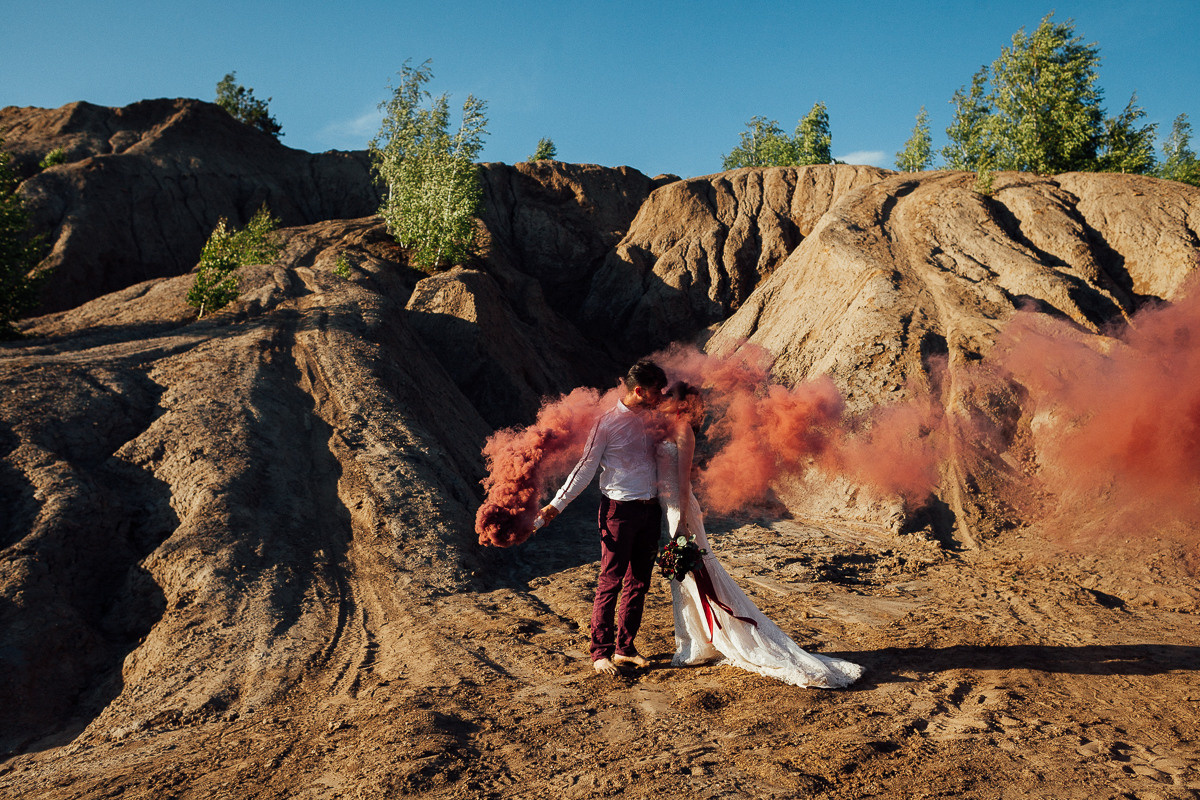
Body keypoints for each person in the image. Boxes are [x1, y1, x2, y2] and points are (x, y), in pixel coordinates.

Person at [658, 382, 864, 688]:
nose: (662, 402)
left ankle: (713, 642)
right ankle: (699, 643)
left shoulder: (683, 431)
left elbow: (684, 483)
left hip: (680, 511)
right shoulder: (666, 429)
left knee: (697, 575)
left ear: (682, 405)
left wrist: (680, 525)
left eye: (669, 399)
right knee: (685, 581)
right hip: (668, 508)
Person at [538, 360, 668, 675]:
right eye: (656, 391)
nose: (661, 396)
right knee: (610, 581)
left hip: (650, 511)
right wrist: (556, 506)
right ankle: (600, 652)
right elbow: (585, 467)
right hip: (618, 512)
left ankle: (625, 648)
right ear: (639, 390)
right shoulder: (606, 423)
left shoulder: (655, 420)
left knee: (639, 581)